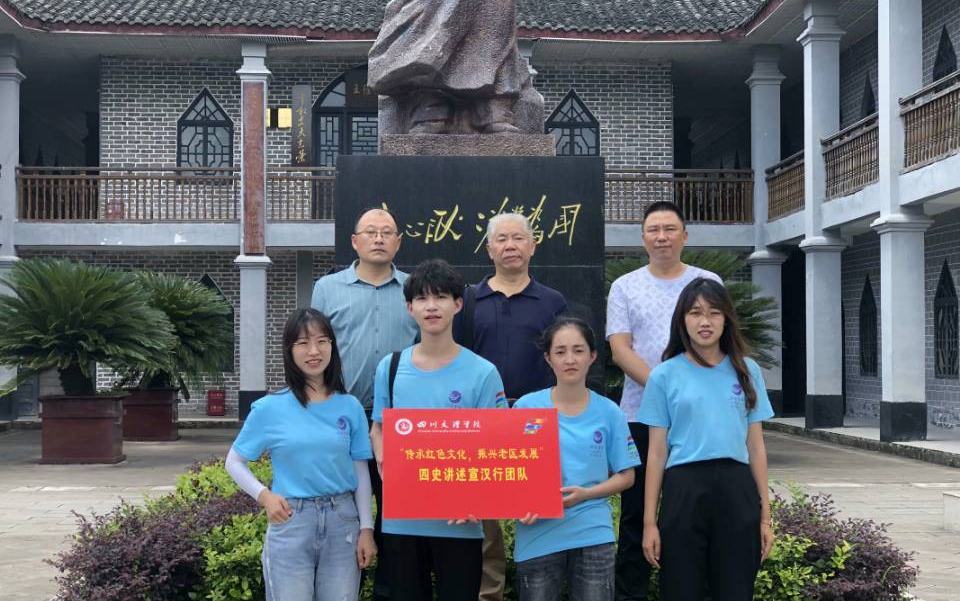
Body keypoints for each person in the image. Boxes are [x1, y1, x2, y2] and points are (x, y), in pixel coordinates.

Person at [369, 258, 508, 601]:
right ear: (410, 308)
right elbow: (378, 427)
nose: (431, 306)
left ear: (457, 304)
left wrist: (482, 497)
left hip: (461, 523)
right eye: (422, 298)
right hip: (402, 521)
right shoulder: (390, 367)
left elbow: (498, 442)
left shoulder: (483, 373)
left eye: (441, 297)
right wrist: (384, 457)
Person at [606, 201, 721, 601]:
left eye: (669, 229)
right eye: (653, 230)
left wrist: (685, 396)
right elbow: (620, 349)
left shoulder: (708, 281)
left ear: (684, 236)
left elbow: (719, 342)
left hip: (697, 419)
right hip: (639, 417)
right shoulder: (625, 286)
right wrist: (667, 390)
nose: (661, 237)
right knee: (636, 515)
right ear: (643, 239)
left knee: (693, 513)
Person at [224, 308, 377, 601]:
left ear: (332, 345)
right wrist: (265, 496)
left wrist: (366, 529)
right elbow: (234, 462)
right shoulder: (269, 408)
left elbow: (360, 470)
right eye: (303, 343)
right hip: (292, 521)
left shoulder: (350, 406)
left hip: (343, 523)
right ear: (289, 350)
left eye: (322, 341)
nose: (314, 351)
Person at [454, 211, 568, 601]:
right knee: (484, 525)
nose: (510, 246)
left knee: (535, 517)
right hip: (482, 424)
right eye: (501, 239)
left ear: (532, 246)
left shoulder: (553, 302)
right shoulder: (468, 301)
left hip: (536, 424)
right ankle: (490, 595)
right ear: (489, 249)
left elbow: (563, 361)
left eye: (518, 238)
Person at [638, 278, 775, 601]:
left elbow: (756, 447)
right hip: (683, 489)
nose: (705, 321)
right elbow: (656, 453)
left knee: (736, 589)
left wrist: (765, 517)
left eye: (714, 312)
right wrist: (649, 523)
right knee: (681, 588)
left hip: (736, 489)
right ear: (682, 320)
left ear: (726, 318)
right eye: (696, 312)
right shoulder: (664, 375)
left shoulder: (747, 370)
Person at [311, 206, 417, 600]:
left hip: (400, 422)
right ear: (355, 241)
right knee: (345, 516)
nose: (378, 238)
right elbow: (315, 349)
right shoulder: (327, 288)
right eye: (370, 231)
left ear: (398, 242)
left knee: (396, 518)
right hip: (344, 417)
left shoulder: (414, 290)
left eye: (387, 232)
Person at [513, 316, 640, 601]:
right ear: (548, 358)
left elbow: (627, 475)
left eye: (578, 350)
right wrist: (519, 503)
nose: (570, 359)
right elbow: (510, 468)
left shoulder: (609, 412)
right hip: (537, 535)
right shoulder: (526, 407)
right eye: (560, 352)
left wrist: (586, 494)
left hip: (592, 533)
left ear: (592, 356)